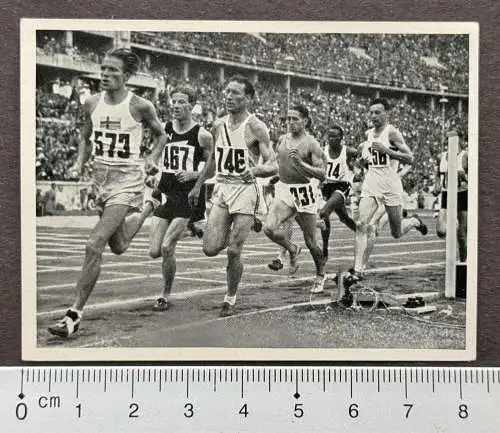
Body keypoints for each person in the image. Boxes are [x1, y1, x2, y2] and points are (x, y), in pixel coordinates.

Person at [48, 48, 167, 337]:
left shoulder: (140, 106)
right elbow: (84, 134)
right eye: (103, 68)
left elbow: (161, 134)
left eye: (113, 70)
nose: (106, 74)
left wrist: (151, 157)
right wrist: (78, 162)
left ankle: (74, 314)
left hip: (127, 180)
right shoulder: (91, 102)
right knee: (119, 245)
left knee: (94, 244)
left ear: (126, 76)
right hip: (100, 178)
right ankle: (151, 207)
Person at [188, 75, 276, 317]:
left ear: (248, 98)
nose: (228, 96)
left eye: (235, 92)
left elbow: (273, 164)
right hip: (223, 188)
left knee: (234, 251)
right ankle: (239, 227)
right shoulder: (218, 125)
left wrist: (256, 169)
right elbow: (214, 159)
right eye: (227, 91)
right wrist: (197, 185)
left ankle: (230, 297)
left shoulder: (255, 126)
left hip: (247, 190)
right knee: (209, 248)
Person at [344, 98, 428, 288]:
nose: (373, 116)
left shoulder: (392, 132)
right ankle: (358, 270)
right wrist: (363, 163)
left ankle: (413, 221)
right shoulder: (368, 134)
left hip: (391, 184)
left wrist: (387, 151)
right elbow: (366, 161)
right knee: (360, 224)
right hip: (372, 183)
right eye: (371, 112)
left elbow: (410, 157)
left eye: (378, 112)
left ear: (386, 114)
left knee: (396, 232)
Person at [148, 86, 213, 311]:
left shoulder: (202, 135)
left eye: (181, 102)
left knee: (167, 247)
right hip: (166, 194)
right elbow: (157, 156)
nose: (175, 105)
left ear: (191, 105)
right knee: (154, 251)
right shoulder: (164, 130)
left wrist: (195, 174)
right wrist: (152, 168)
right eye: (173, 101)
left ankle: (165, 295)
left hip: (186, 197)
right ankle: (193, 228)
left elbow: (214, 168)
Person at [263, 105, 327, 293]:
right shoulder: (282, 140)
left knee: (311, 241)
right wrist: (271, 178)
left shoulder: (311, 143)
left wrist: (301, 164)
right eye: (288, 118)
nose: (290, 122)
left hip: (304, 192)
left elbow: (322, 173)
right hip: (284, 189)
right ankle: (291, 248)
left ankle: (320, 274)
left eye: (295, 119)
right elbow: (278, 164)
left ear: (305, 121)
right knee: (268, 228)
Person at [318, 125, 357, 262]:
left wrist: (357, 170)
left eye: (334, 136)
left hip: (341, 186)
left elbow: (364, 156)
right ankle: (361, 233)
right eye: (329, 136)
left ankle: (324, 252)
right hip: (327, 187)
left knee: (324, 212)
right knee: (344, 218)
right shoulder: (323, 151)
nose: (331, 139)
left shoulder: (348, 151)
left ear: (341, 138)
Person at [433, 132, 468, 262]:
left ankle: (464, 262)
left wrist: (463, 176)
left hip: (462, 194)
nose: (449, 142)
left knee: (461, 235)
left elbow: (475, 178)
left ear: (459, 140)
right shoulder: (441, 156)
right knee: (441, 231)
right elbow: (438, 172)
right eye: (447, 139)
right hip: (447, 193)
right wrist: (437, 184)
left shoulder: (465, 156)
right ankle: (454, 226)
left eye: (452, 139)